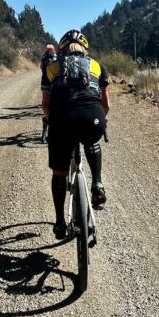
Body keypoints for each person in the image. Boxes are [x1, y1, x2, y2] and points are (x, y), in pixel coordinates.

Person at [44, 30, 110, 239]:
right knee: (90, 139)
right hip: (93, 117)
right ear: (85, 49)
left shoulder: (52, 67)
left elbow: (45, 106)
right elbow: (106, 104)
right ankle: (97, 183)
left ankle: (60, 222)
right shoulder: (96, 65)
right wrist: (99, 120)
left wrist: (53, 120)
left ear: (62, 49)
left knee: (59, 172)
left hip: (62, 119)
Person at [40, 44, 57, 130]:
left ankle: (49, 120)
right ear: (53, 50)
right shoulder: (57, 56)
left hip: (45, 82)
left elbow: (41, 67)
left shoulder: (43, 57)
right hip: (55, 82)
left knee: (45, 104)